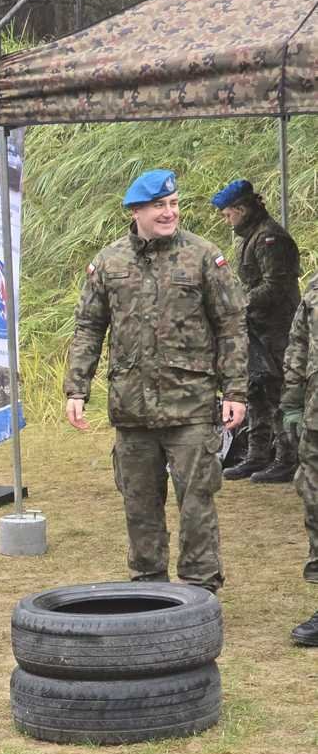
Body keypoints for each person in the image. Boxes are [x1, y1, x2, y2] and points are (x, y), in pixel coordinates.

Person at [65, 169, 248, 593]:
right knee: (139, 504)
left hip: (192, 404)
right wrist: (77, 388)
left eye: (173, 204)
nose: (169, 213)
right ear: (136, 211)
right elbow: (89, 327)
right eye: (159, 206)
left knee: (197, 501)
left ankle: (200, 590)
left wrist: (236, 390)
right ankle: (147, 587)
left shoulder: (203, 256)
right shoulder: (109, 262)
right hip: (132, 408)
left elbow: (232, 325)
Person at [212, 179, 301, 483]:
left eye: (228, 215)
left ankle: (287, 459)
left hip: (277, 330)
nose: (228, 221)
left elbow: (276, 286)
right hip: (258, 327)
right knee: (256, 392)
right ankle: (257, 456)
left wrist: (238, 304)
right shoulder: (254, 236)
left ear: (241, 209)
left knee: (278, 393)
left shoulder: (270, 239)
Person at [280, 274, 318, 646]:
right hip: (315, 418)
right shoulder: (316, 289)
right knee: (315, 502)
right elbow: (298, 348)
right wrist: (292, 405)